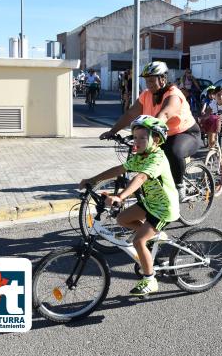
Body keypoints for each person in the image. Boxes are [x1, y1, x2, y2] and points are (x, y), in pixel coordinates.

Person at [79, 115, 179, 296]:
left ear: (155, 139)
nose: (137, 141)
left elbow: (140, 178)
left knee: (138, 240)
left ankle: (150, 279)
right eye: (135, 137)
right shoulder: (140, 156)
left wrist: (121, 196)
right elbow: (119, 170)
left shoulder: (157, 158)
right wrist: (92, 179)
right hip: (149, 203)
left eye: (143, 137)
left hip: (164, 208)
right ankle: (155, 236)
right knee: (122, 219)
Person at [99, 61, 201, 199]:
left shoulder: (174, 95)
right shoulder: (146, 95)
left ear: (163, 78)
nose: (149, 84)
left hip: (185, 133)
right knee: (148, 159)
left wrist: (147, 133)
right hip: (162, 134)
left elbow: (163, 115)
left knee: (173, 150)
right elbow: (130, 114)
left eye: (152, 80)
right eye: (147, 81)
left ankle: (179, 186)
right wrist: (113, 131)